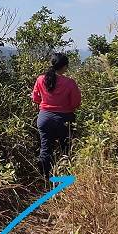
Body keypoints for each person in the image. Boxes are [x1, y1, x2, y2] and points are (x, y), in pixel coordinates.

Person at [31, 52, 81, 180]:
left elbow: (35, 98)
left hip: (44, 118)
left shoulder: (41, 79)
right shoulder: (70, 83)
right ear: (64, 66)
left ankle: (44, 178)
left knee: (45, 148)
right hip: (64, 119)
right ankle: (64, 176)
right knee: (66, 149)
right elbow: (75, 103)